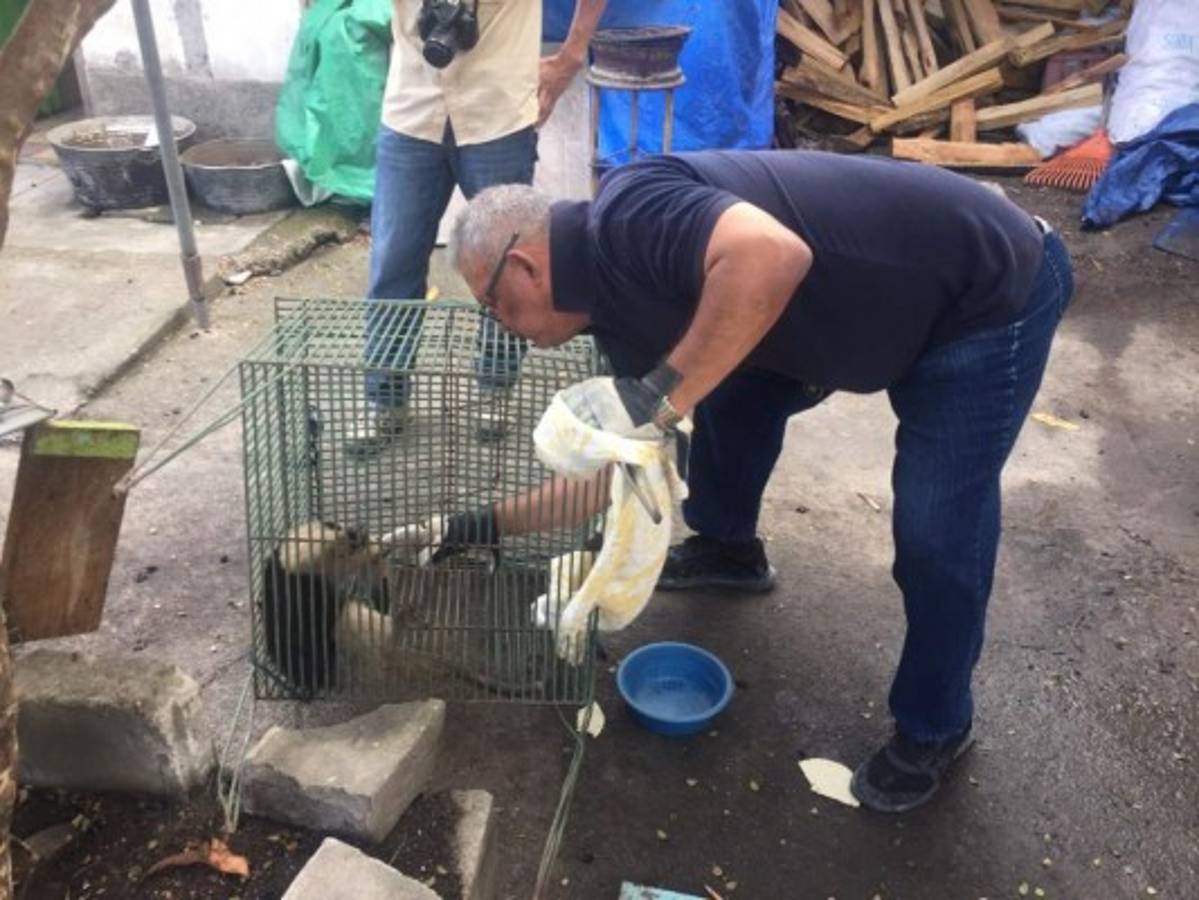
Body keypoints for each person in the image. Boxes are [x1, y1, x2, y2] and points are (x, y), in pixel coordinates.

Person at [439, 149, 1075, 813]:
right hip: (865, 320)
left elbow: (772, 255)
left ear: (525, 266)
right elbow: (620, 469)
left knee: (936, 526)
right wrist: (483, 524)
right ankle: (728, 550)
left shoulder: (632, 210)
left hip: (979, 295)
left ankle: (935, 724)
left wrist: (660, 396)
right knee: (725, 398)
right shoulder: (615, 325)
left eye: (494, 307)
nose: (501, 328)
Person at [355, 0, 606, 451]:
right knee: (393, 262)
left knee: (506, 264)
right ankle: (384, 399)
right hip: (411, 106)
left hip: (499, 111)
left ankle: (495, 389)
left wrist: (571, 56)